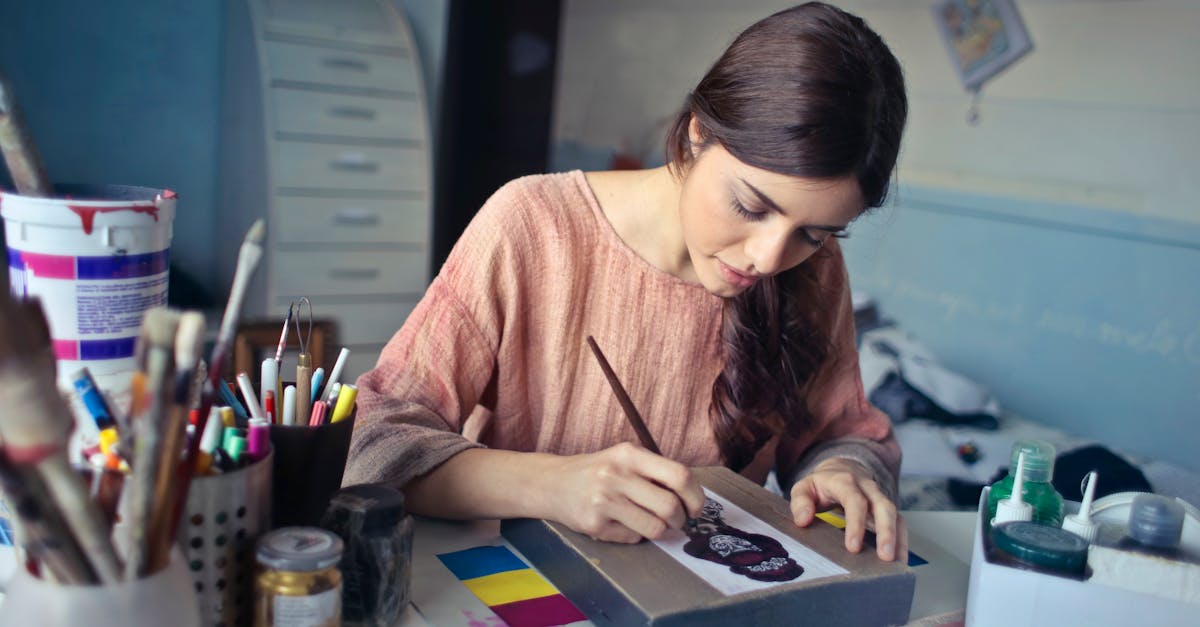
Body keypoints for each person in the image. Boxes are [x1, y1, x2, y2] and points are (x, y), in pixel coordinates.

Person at [344, 2, 909, 561]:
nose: (768, 257)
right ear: (695, 134)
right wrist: (551, 485)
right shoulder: (532, 226)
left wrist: (843, 469)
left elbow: (844, 432)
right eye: (749, 204)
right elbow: (374, 442)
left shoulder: (813, 266)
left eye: (814, 232)